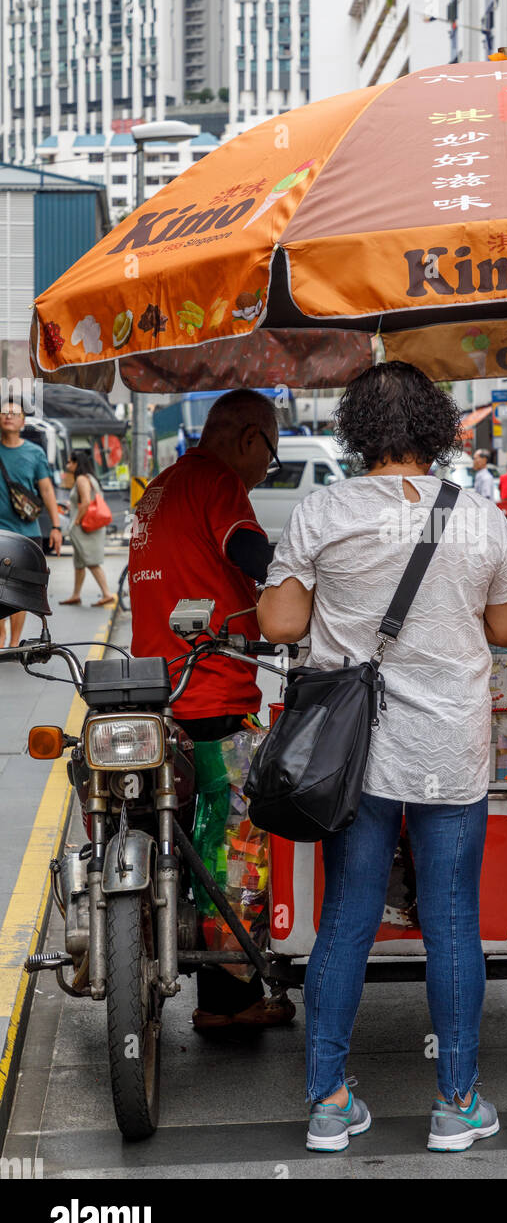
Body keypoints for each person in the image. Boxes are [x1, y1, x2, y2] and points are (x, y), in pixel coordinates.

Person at [257, 361, 507, 1154]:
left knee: (346, 916)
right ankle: (456, 1103)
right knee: (451, 919)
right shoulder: (478, 515)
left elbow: (279, 623)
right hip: (449, 747)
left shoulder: (324, 509)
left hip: (354, 756)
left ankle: (330, 1103)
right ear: (439, 427)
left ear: (355, 431)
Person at [128, 388, 295, 1030]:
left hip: (156, 694)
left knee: (182, 832)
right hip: (213, 691)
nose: (262, 473)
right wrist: (303, 579)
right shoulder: (217, 481)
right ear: (250, 439)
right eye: (270, 458)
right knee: (237, 841)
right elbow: (250, 554)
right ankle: (228, 997)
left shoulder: (159, 489)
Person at [0, 404, 63, 647]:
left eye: (14, 413)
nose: (7, 416)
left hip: (26, 535)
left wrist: (56, 527)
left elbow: (46, 490)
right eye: (3, 412)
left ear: (23, 422)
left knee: (18, 592)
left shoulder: (35, 453)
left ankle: (15, 643)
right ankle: (1, 636)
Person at [57, 450, 115, 607]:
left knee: (90, 560)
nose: (68, 465)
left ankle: (107, 593)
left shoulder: (82, 479)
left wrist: (76, 521)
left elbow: (87, 502)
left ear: (77, 463)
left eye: (70, 462)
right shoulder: (90, 478)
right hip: (90, 525)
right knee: (80, 561)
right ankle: (76, 595)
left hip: (84, 526)